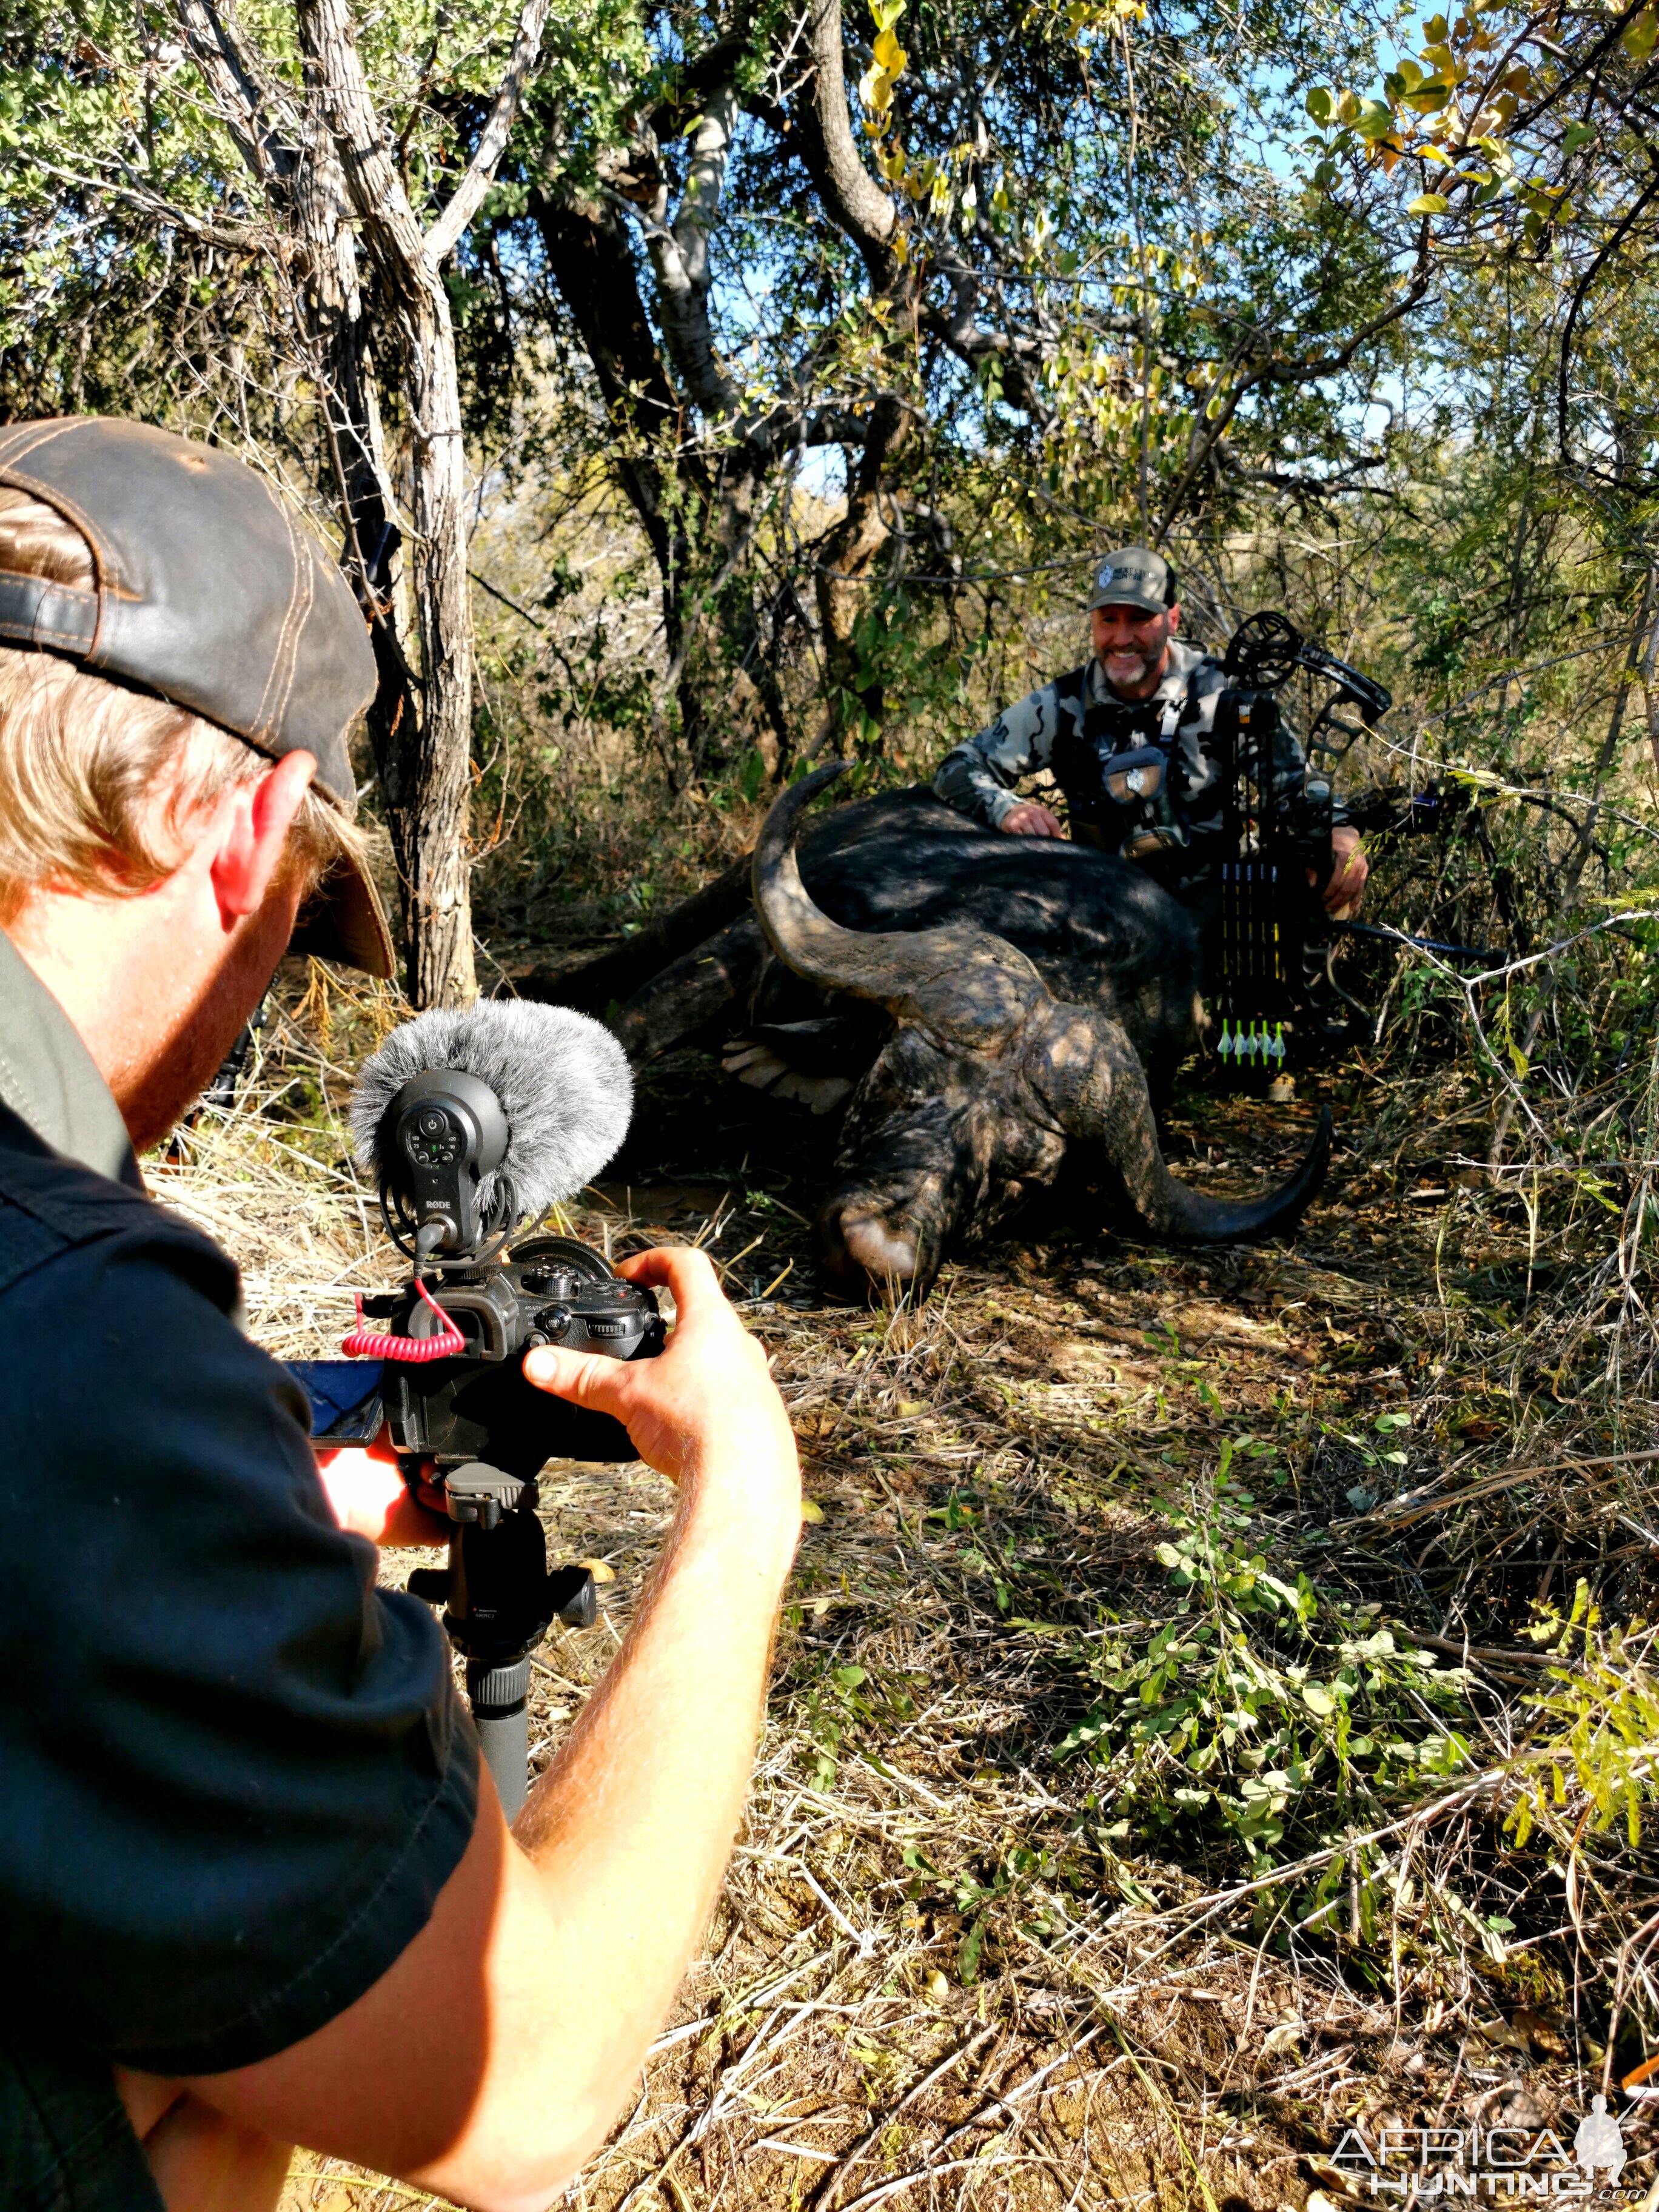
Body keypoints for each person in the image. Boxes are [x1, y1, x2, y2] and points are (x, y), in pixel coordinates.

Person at [0, 416, 801, 2212]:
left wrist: (254, 1513)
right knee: (223, 2071)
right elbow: (519, 2090)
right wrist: (744, 1517)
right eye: (297, 909)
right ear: (252, 827)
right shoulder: (76, 1322)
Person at [933, 544, 1369, 920]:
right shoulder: (1062, 704)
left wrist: (1342, 834)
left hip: (1218, 906)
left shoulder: (1222, 693)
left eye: (1139, 619)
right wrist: (1008, 810)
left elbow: (1297, 784)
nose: (1122, 638)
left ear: (1172, 619)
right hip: (1106, 912)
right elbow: (959, 766)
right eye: (1109, 620)